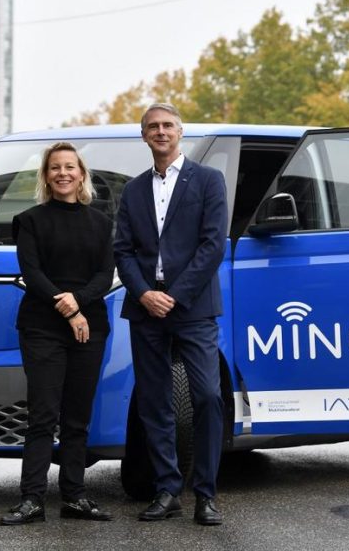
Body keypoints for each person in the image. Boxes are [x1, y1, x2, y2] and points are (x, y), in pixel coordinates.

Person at [113, 103, 227, 526]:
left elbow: (213, 246)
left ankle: (206, 494)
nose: (160, 132)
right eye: (152, 127)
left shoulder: (208, 180)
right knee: (154, 401)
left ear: (180, 132)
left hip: (193, 307)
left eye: (167, 126)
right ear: (144, 135)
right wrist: (145, 294)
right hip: (146, 308)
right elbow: (122, 250)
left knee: (208, 396)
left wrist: (174, 297)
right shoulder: (133, 190)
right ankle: (167, 490)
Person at [0, 142, 114, 525]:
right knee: (43, 416)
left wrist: (78, 302)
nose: (63, 173)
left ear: (81, 175)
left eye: (69, 167)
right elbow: (32, 274)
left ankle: (74, 496)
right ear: (46, 177)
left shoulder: (101, 223)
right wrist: (70, 310)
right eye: (55, 168)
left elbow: (105, 274)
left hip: (89, 329)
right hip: (42, 328)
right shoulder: (29, 221)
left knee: (77, 418)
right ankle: (32, 499)